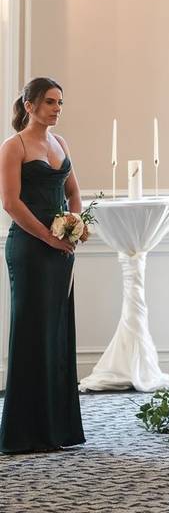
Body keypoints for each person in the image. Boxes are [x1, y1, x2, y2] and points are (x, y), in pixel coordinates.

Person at [0, 77, 85, 454]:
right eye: (50, 102)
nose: (57, 108)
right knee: (32, 331)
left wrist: (76, 225)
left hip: (59, 249)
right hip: (30, 248)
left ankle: (57, 429)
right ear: (29, 105)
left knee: (57, 330)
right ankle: (23, 432)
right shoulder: (13, 146)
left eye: (60, 103)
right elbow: (11, 203)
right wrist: (49, 237)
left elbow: (73, 192)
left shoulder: (60, 143)